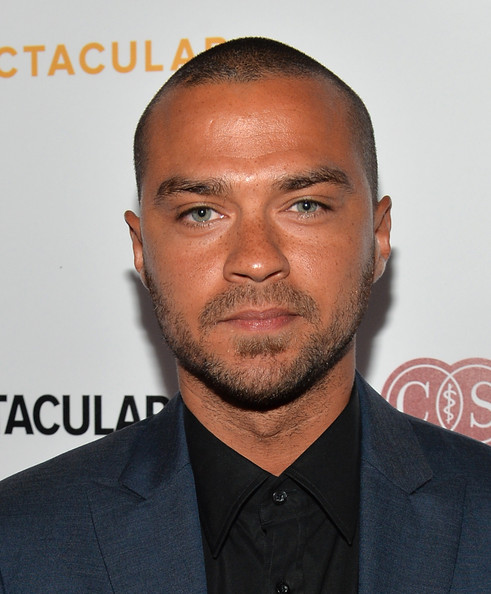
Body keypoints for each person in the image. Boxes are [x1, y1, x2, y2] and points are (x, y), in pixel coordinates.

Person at [0, 37, 490, 594]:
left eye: (305, 205)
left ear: (377, 238)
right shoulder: (18, 545)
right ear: (141, 250)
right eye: (201, 212)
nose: (256, 260)